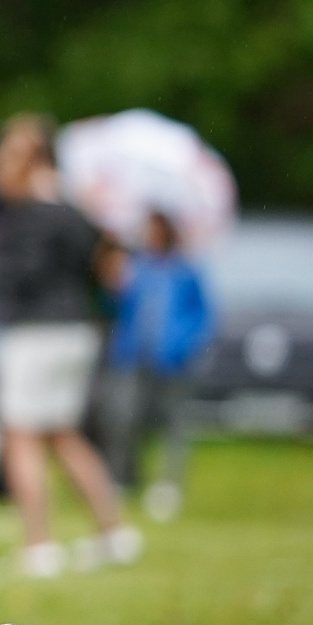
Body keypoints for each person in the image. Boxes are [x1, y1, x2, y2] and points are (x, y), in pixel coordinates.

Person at [0, 116, 138, 576]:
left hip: (38, 332)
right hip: (77, 328)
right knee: (63, 433)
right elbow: (101, 262)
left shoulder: (33, 212)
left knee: (19, 434)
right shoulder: (76, 207)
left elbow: (24, 271)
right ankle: (113, 532)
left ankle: (39, 544)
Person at [98, 209, 212, 520]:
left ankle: (168, 484)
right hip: (134, 356)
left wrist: (181, 344)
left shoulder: (185, 270)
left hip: (173, 361)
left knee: (173, 423)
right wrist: (111, 279)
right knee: (125, 417)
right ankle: (124, 478)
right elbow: (115, 306)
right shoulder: (135, 266)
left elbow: (201, 314)